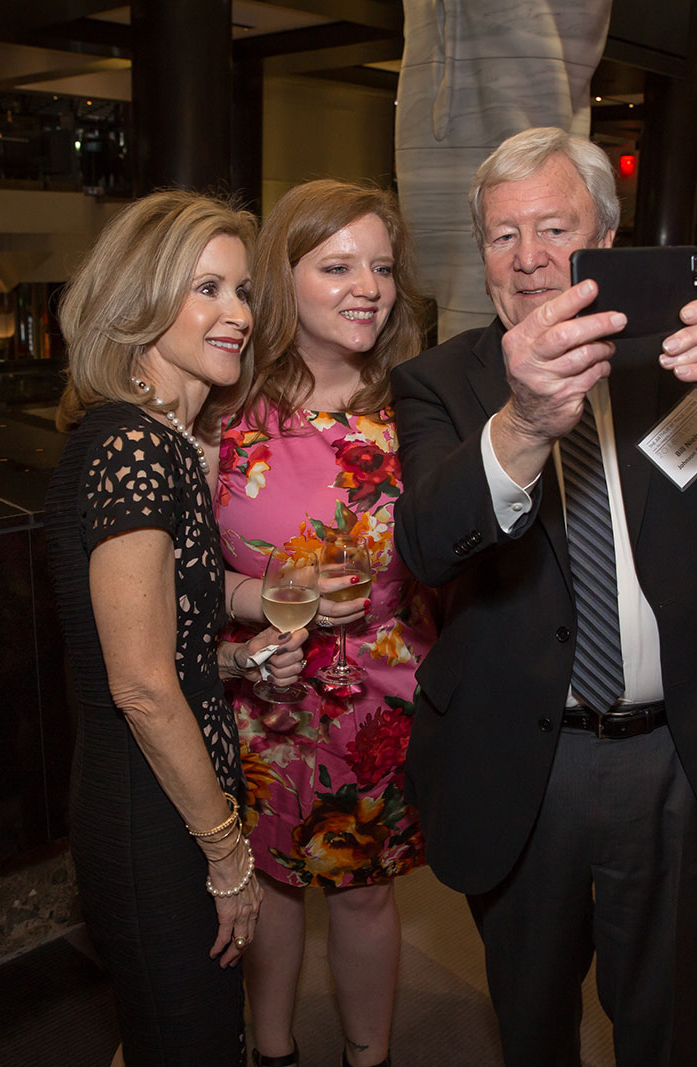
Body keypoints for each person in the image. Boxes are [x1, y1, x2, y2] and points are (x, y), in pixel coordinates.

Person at [389, 127, 697, 1065]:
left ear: (607, 231)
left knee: (679, 1029)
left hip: (684, 755)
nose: (527, 259)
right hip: (528, 764)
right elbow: (430, 544)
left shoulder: (690, 360)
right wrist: (523, 423)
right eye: (501, 235)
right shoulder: (442, 381)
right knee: (532, 1026)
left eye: (554, 227)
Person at [44, 190, 309, 1065]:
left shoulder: (149, 439)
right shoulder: (138, 448)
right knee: (186, 1038)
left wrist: (240, 650)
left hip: (154, 796)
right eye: (207, 288)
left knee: (164, 1034)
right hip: (154, 812)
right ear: (141, 300)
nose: (236, 313)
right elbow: (143, 684)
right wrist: (228, 852)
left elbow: (170, 635)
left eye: (241, 291)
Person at [216, 180, 433, 1067]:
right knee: (264, 889)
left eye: (381, 266)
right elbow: (182, 572)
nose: (368, 286)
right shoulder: (225, 409)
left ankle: (366, 1056)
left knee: (365, 895)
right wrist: (263, 594)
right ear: (284, 277)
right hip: (262, 693)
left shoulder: (419, 408)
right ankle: (272, 1052)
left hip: (383, 697)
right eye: (337, 264)